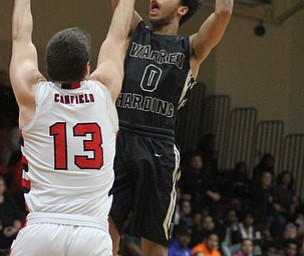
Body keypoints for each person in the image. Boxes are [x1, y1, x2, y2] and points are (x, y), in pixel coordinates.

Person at [9, 0, 135, 255]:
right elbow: (119, 35)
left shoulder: (31, 95)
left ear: (47, 66)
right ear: (88, 67)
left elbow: (20, 36)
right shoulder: (105, 89)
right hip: (92, 233)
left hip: (42, 228)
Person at [109, 0, 234, 254]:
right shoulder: (135, 31)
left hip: (159, 145)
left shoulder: (191, 48)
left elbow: (223, 12)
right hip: (119, 138)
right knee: (102, 235)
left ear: (182, 9)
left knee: (154, 243)